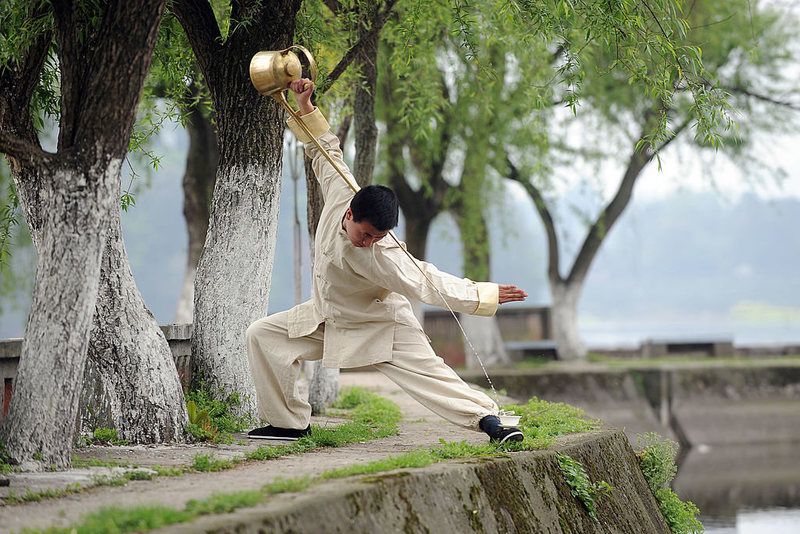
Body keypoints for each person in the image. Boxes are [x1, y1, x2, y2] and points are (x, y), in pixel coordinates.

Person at [245, 78, 528, 444]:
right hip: (328, 317)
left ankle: (493, 422)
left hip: (382, 325)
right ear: (349, 213)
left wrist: (482, 295)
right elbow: (324, 151)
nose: (370, 242)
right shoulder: (342, 192)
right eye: (366, 234)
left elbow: (428, 282)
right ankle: (288, 424)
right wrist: (305, 104)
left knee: (433, 378)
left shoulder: (384, 254)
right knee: (264, 335)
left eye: (378, 237)